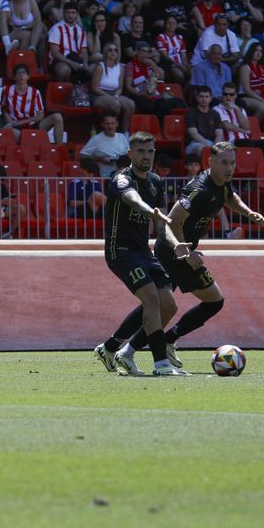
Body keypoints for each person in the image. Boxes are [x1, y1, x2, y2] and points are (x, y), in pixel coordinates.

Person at [112, 141, 264, 368]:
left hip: (181, 251)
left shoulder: (221, 182)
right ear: (210, 162)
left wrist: (248, 212)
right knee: (213, 301)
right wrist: (186, 250)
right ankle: (163, 342)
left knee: (158, 305)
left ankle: (123, 349)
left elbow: (229, 196)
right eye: (224, 163)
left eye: (232, 163)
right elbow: (173, 220)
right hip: (174, 252)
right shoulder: (198, 189)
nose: (229, 168)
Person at [91, 130, 188, 378]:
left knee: (169, 306)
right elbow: (133, 200)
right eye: (141, 151)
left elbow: (162, 225)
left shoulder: (155, 181)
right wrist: (149, 211)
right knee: (151, 299)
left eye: (150, 151)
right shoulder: (121, 179)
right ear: (130, 153)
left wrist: (175, 243)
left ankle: (118, 349)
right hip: (119, 251)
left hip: (144, 252)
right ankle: (161, 365)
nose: (146, 156)